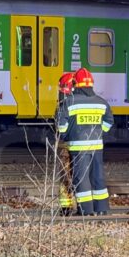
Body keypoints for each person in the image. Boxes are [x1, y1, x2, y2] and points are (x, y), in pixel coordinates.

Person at [56, 68, 113, 215]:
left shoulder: (70, 102)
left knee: (81, 179)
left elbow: (61, 127)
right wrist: (99, 133)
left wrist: (66, 135)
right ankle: (102, 208)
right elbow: (108, 122)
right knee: (98, 177)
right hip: (97, 146)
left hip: (78, 147)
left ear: (76, 84)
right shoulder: (102, 102)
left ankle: (86, 210)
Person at [55, 72, 77, 213]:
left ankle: (66, 207)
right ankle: (80, 206)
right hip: (79, 147)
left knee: (64, 178)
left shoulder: (63, 105)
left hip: (64, 147)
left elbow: (59, 127)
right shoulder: (78, 103)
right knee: (79, 176)